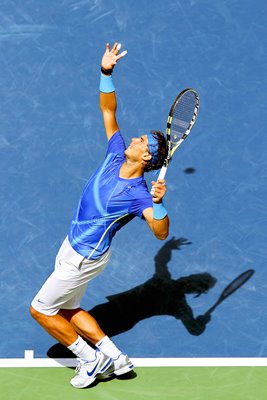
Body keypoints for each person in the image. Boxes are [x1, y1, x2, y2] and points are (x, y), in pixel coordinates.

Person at [30, 42, 169, 389]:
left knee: (40, 310)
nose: (134, 138)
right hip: (75, 243)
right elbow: (109, 110)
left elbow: (160, 231)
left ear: (147, 159)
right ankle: (116, 357)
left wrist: (161, 203)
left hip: (84, 256)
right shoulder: (114, 153)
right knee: (68, 308)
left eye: (141, 141)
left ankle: (90, 359)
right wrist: (106, 72)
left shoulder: (139, 195)